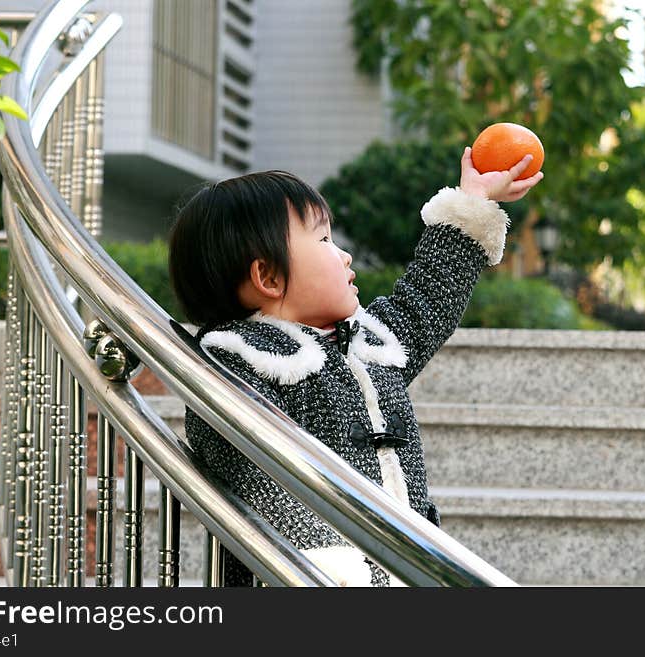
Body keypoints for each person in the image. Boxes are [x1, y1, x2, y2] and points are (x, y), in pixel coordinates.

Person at [168, 147, 543, 586]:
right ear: (268, 278)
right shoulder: (239, 362)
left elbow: (427, 298)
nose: (344, 256)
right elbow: (256, 473)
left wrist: (472, 201)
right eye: (324, 240)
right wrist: (327, 566)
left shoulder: (366, 343)